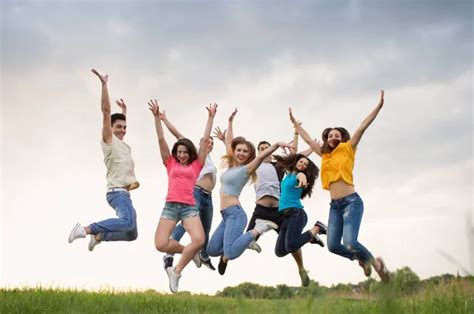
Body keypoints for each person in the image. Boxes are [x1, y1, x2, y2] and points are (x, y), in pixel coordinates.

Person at [289, 90, 390, 282]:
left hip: (352, 202)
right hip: (335, 206)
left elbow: (362, 127)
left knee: (350, 242)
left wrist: (378, 107)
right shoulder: (324, 154)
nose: (333, 137)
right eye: (330, 135)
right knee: (333, 246)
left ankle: (377, 265)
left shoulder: (348, 148)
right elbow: (309, 139)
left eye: (337, 135)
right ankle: (361, 259)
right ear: (327, 139)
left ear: (342, 138)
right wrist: (295, 123)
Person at [214, 127, 327, 286]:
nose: (265, 151)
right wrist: (224, 140)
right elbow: (233, 154)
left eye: (267, 148)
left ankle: (301, 268)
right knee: (244, 240)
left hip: (278, 211)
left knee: (291, 242)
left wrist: (311, 147)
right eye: (261, 149)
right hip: (260, 210)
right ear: (258, 153)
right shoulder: (255, 165)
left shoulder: (279, 166)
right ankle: (225, 257)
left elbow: (296, 157)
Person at [207, 109, 287, 275]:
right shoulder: (231, 165)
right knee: (212, 250)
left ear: (250, 155)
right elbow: (230, 142)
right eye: (239, 150)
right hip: (225, 216)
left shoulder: (247, 169)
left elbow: (260, 157)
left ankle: (259, 228)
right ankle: (237, 244)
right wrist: (229, 122)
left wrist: (276, 145)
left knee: (229, 253)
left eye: (246, 151)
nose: (241, 153)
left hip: (235, 214)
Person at [148, 99, 217, 293]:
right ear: (175, 153)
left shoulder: (197, 165)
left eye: (186, 152)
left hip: (189, 208)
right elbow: (161, 140)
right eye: (179, 152)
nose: (183, 155)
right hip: (170, 207)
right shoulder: (170, 163)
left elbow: (204, 142)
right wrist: (157, 119)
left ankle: (176, 272)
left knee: (199, 240)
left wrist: (210, 118)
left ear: (190, 153)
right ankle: (189, 252)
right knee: (160, 244)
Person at [68, 69, 139, 251]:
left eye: (124, 127)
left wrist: (124, 111)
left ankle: (100, 236)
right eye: (118, 127)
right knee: (127, 222)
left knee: (132, 233)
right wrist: (104, 85)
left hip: (125, 194)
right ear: (110, 127)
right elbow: (106, 112)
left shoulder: (123, 145)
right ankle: (86, 229)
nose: (122, 130)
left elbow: (119, 124)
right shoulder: (109, 141)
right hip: (116, 193)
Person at [160, 110, 218, 271]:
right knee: (187, 224)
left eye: (212, 144)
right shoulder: (195, 157)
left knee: (205, 228)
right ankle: (169, 254)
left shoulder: (210, 160)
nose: (209, 145)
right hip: (196, 193)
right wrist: (164, 119)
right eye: (207, 142)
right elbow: (178, 134)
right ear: (201, 145)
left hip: (208, 197)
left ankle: (203, 255)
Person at [273, 153, 325, 282]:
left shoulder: (299, 175)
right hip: (286, 217)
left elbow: (302, 177)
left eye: (305, 165)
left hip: (297, 214)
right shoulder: (289, 174)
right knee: (280, 251)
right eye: (301, 162)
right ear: (296, 162)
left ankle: (317, 228)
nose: (302, 164)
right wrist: (296, 133)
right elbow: (295, 153)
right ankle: (310, 237)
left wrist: (303, 180)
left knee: (291, 246)